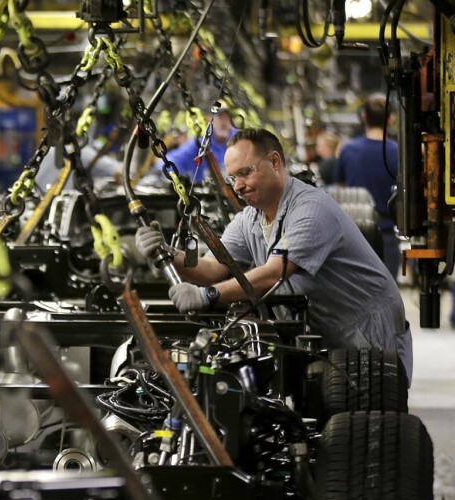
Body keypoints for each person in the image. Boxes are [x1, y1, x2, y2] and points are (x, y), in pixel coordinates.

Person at [136, 128, 413, 383]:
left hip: (367, 331)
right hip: (328, 335)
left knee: (371, 426)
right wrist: (169, 253)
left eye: (245, 172)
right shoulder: (250, 219)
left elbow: (274, 272)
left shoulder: (312, 208)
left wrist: (208, 296)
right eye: (233, 178)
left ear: (276, 161)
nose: (238, 185)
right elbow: (211, 266)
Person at [333, 95, 400, 278]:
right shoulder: (398, 152)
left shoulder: (348, 150)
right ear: (390, 119)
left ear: (364, 117)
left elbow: (339, 190)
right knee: (387, 295)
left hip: (355, 235)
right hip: (386, 232)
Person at [154, 104, 236, 183]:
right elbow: (170, 163)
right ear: (209, 118)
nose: (224, 121)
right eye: (220, 117)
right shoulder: (200, 144)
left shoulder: (238, 141)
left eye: (227, 117)